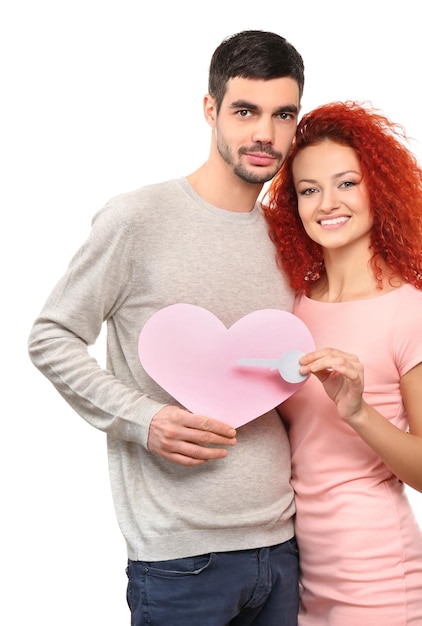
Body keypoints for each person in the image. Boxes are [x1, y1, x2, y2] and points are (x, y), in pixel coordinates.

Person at [28, 30, 304, 626]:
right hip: (180, 562)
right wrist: (144, 419)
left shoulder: (292, 235)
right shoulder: (138, 218)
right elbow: (51, 335)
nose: (264, 133)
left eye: (283, 114)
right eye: (245, 111)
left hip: (284, 549)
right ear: (211, 110)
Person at [264, 101, 422, 625]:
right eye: (309, 189)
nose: (328, 202)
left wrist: (359, 412)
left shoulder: (410, 314)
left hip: (383, 589)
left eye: (347, 183)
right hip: (304, 584)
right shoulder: (294, 307)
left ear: (380, 189)